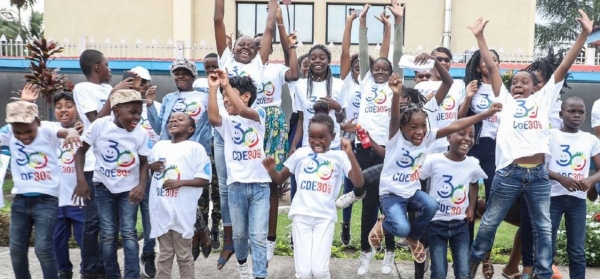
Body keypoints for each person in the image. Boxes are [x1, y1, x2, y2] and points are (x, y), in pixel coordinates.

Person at [468, 11, 591, 279]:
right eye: (515, 83)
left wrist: (583, 35)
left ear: (536, 87)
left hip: (537, 176)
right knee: (489, 221)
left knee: (543, 227)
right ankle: (473, 262)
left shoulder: (543, 100)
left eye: (525, 82)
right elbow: (491, 67)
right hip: (509, 173)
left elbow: (564, 67)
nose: (518, 85)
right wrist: (480, 37)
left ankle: (542, 274)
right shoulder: (507, 101)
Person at [367, 72, 501, 265]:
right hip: (391, 194)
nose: (420, 132)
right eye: (413, 127)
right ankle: (385, 224)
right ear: (403, 129)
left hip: (412, 193)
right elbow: (395, 118)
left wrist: (485, 114)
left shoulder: (427, 136)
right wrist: (396, 94)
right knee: (401, 228)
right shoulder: (395, 139)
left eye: (423, 126)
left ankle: (414, 238)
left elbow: (456, 125)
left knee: (431, 205)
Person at [262, 113, 364, 278]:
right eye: (312, 136)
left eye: (322, 137)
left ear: (333, 136)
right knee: (303, 272)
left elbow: (359, 182)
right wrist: (271, 169)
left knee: (319, 270)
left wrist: (350, 154)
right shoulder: (301, 153)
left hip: (324, 218)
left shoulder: (339, 157)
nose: (316, 141)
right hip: (301, 216)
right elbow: (280, 178)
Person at [73, 89, 151, 279]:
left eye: (139, 113)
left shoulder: (140, 133)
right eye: (132, 112)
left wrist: (141, 186)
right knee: (108, 234)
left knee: (129, 233)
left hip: (129, 190)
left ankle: (131, 275)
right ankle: (111, 274)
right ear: (116, 110)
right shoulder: (100, 126)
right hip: (103, 187)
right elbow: (81, 151)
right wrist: (81, 180)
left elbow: (143, 162)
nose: (137, 117)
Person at [1, 99, 80, 279]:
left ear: (37, 121)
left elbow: (66, 130)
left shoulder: (47, 131)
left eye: (29, 131)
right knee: (16, 251)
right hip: (20, 200)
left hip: (46, 201)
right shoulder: (9, 133)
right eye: (18, 132)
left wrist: (72, 132)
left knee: (43, 250)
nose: (24, 136)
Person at [73, 49, 135, 279]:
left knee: (111, 225)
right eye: (107, 65)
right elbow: (95, 121)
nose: (110, 69)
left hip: (113, 163)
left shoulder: (109, 89)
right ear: (97, 67)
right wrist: (114, 95)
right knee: (92, 222)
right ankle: (89, 271)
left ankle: (109, 269)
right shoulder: (83, 89)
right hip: (92, 164)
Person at [337, 2, 392, 251]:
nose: (378, 71)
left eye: (384, 69)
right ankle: (365, 249)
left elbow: (388, 53)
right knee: (369, 201)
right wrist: (361, 22)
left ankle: (389, 248)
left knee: (386, 200)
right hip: (363, 146)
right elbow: (361, 50)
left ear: (390, 73)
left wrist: (391, 28)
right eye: (375, 68)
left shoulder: (392, 86)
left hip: (387, 147)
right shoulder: (366, 81)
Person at [146, 58, 213, 260]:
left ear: (193, 75)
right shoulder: (168, 99)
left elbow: (212, 121)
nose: (181, 76)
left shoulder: (205, 96)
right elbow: (159, 127)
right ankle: (199, 233)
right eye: (177, 73)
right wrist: (150, 106)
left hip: (195, 151)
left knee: (192, 199)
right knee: (172, 197)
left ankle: (195, 235)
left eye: (185, 72)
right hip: (170, 152)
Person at [208, 70, 271, 279]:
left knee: (258, 236)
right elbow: (213, 117)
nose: (226, 100)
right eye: (224, 98)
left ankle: (260, 275)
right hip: (236, 187)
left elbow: (243, 110)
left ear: (246, 96)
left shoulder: (259, 114)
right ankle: (243, 265)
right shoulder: (226, 121)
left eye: (230, 96)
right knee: (240, 235)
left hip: (260, 186)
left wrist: (226, 85)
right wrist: (214, 89)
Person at [253, 1, 300, 260]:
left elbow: (294, 72)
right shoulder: (244, 68)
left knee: (272, 182)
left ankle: (270, 239)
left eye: (264, 43)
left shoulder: (276, 69)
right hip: (251, 123)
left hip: (273, 122)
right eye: (254, 43)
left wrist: (290, 44)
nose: (259, 46)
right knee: (250, 181)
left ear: (270, 47)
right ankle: (254, 237)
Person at [149, 112, 212, 279]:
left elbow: (204, 179)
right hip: (161, 211)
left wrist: (180, 182)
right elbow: (146, 168)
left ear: (191, 129)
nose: (173, 121)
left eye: (179, 119)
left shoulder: (196, 149)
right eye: (171, 120)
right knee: (164, 255)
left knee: (184, 256)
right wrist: (150, 166)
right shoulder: (159, 146)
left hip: (182, 213)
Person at [419, 125, 487, 279]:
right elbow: (418, 179)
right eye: (462, 133)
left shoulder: (472, 163)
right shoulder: (433, 160)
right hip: (436, 224)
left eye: (471, 135)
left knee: (463, 271)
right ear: (448, 137)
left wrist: (471, 207)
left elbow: (474, 182)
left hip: (460, 225)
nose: (467, 139)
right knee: (439, 271)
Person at [546, 97, 600, 279]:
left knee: (577, 250)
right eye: (571, 111)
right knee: (547, 246)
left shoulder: (590, 140)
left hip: (578, 201)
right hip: (552, 198)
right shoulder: (551, 135)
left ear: (585, 115)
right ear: (561, 114)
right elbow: (539, 167)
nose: (577, 115)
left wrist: (591, 180)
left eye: (581, 112)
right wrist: (561, 178)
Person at [123, 66, 161, 277]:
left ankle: (148, 254)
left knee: (150, 218)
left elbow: (164, 134)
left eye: (144, 82)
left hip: (153, 172)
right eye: (135, 82)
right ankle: (130, 265)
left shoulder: (157, 106)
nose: (141, 86)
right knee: (128, 224)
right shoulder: (118, 107)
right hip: (127, 173)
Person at [195, 52, 223, 251]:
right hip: (203, 144)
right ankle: (202, 229)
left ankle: (215, 230)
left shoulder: (227, 84)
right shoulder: (198, 85)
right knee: (202, 189)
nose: (211, 70)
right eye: (208, 68)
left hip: (221, 142)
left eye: (215, 66)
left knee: (219, 189)